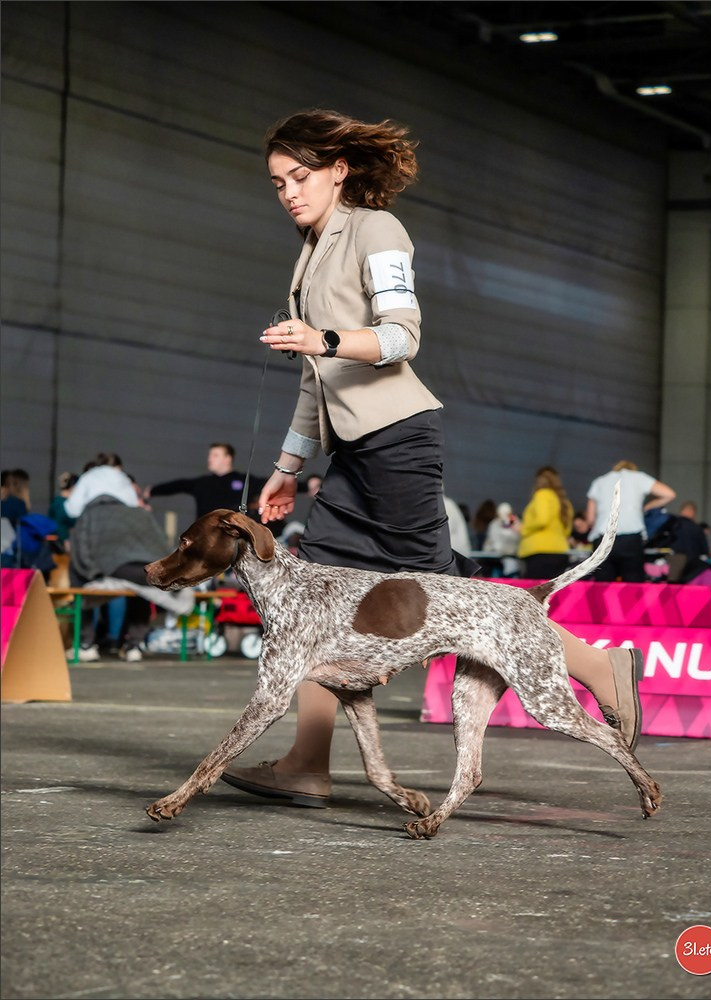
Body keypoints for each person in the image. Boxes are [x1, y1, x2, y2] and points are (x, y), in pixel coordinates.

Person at [220, 108, 644, 809]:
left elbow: (400, 337)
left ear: (339, 169)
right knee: (322, 600)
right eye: (277, 183)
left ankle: (602, 667)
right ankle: (306, 762)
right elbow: (312, 378)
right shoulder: (310, 248)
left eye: (300, 176)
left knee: (454, 599)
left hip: (398, 440)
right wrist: (288, 470)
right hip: (355, 451)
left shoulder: (378, 229)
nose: (289, 191)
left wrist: (323, 337)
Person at [67, 495, 195, 661]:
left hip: (117, 569)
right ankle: (133, 646)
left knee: (81, 592)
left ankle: (86, 645)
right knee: (142, 591)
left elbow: (80, 551)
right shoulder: (139, 513)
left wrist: (94, 574)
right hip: (149, 570)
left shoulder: (89, 515)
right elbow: (162, 543)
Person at [585, 460, 676, 583]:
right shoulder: (639, 478)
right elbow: (669, 494)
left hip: (603, 539)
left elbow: (590, 519)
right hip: (631, 540)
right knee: (633, 587)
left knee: (602, 587)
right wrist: (647, 507)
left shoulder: (599, 481)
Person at [144, 443, 273, 530]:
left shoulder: (244, 481)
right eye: (210, 455)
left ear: (228, 458)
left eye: (215, 455)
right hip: (204, 534)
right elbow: (178, 485)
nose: (210, 459)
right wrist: (152, 491)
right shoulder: (202, 483)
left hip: (232, 534)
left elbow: (270, 484)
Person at [518, 466, 574, 580]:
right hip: (560, 552)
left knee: (534, 594)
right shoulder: (564, 502)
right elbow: (567, 530)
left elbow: (542, 520)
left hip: (539, 553)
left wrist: (523, 528)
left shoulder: (542, 494)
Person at [482, 502, 521, 576]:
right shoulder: (494, 524)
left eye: (506, 514)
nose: (504, 517)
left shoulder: (516, 523)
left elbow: (518, 538)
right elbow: (492, 541)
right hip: (496, 561)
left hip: (513, 560)